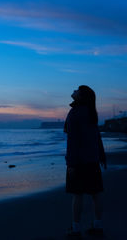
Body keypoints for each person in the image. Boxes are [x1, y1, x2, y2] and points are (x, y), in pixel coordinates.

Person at [64, 85, 107, 239]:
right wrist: (101, 156)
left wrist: (70, 163)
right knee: (96, 193)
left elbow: (73, 140)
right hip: (92, 160)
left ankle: (75, 228)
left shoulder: (75, 112)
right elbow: (96, 137)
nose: (74, 90)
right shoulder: (91, 112)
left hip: (79, 161)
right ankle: (98, 225)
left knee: (77, 194)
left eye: (77, 89)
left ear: (81, 95)